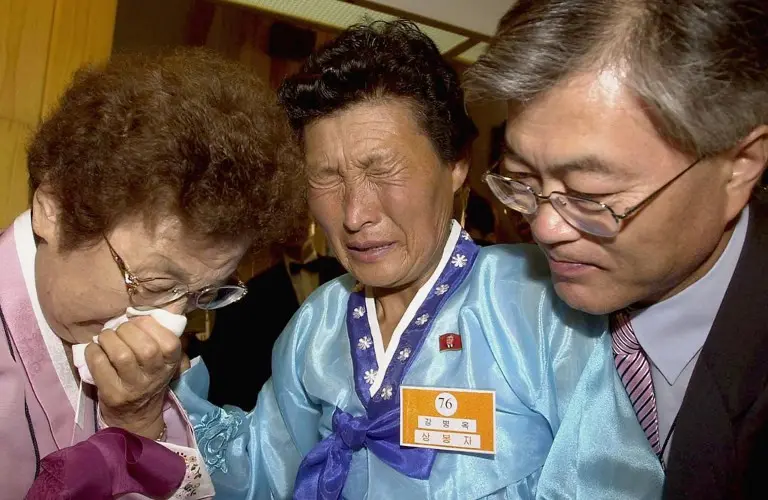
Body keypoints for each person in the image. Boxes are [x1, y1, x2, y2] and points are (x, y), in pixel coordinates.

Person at [174, 21, 663, 499]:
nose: (355, 214)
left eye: (383, 170)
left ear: (456, 165)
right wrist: (149, 404)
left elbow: (608, 480)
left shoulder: (541, 305)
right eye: (326, 177)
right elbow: (263, 473)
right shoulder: (316, 326)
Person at [465, 1, 768, 498]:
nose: (544, 227)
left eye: (589, 194)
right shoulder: (496, 304)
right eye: (521, 179)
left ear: (739, 166)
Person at [0, 48, 301, 498]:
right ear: (54, 211)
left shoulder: (147, 372)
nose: (169, 328)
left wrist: (137, 422)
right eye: (155, 285)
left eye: (202, 296)